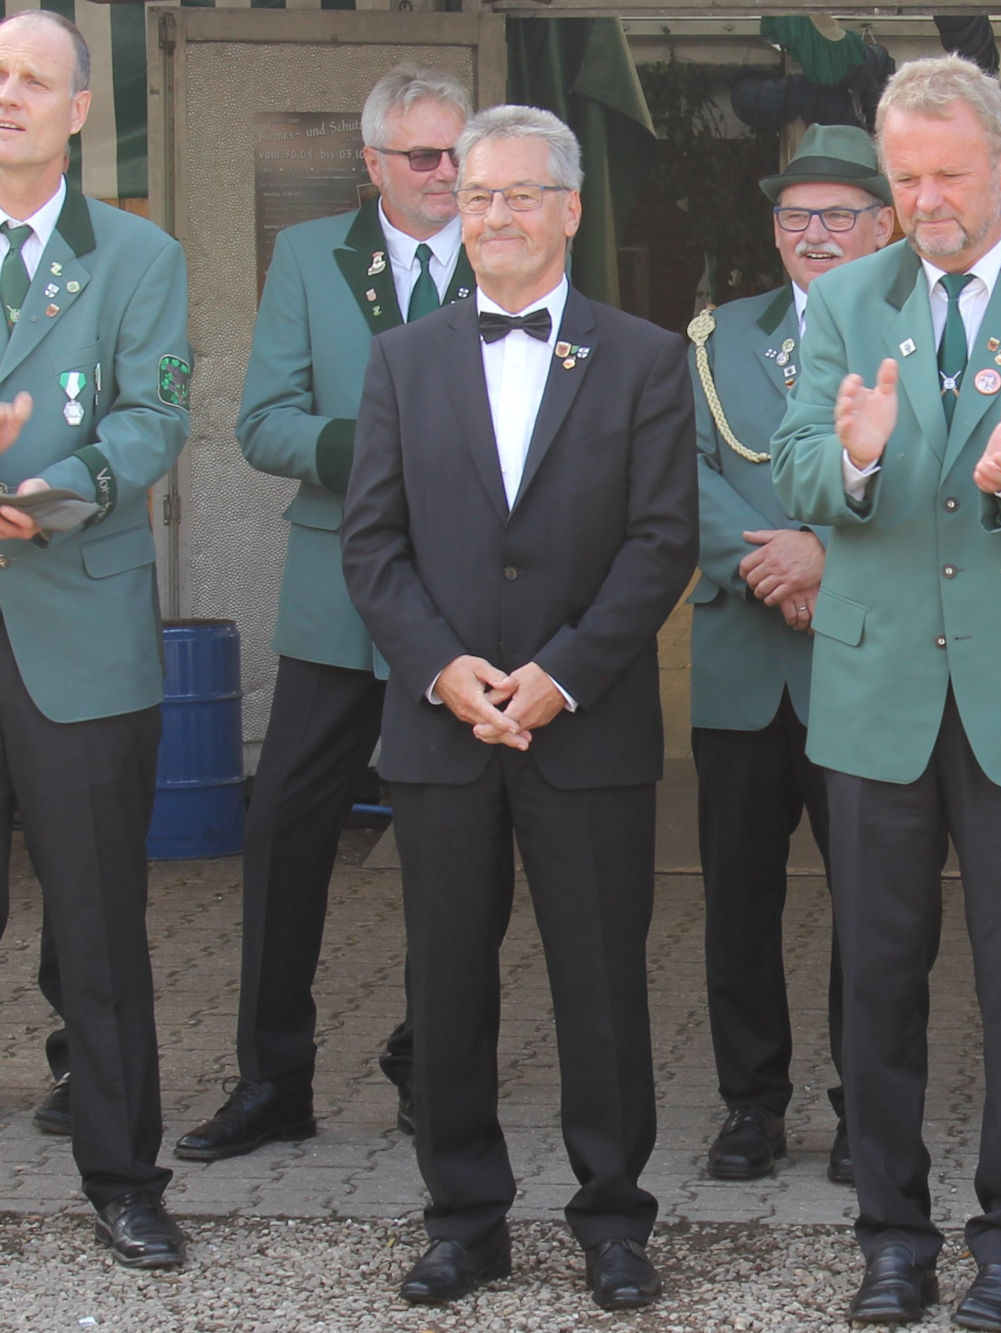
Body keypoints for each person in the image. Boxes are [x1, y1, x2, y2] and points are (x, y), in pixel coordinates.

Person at [770, 54, 1001, 1333]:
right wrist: (853, 464)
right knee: (876, 978)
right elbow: (797, 464)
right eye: (906, 178)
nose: (924, 200)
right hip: (874, 684)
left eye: (948, 174)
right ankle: (890, 1237)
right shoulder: (843, 300)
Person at [341, 105, 696, 1311]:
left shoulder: (644, 358)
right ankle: (464, 1220)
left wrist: (562, 672)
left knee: (601, 983)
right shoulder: (401, 360)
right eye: (476, 194)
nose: (493, 214)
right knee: (445, 986)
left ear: (570, 210)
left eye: (519, 193)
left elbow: (661, 541)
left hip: (583, 727)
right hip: (440, 729)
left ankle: (614, 1219)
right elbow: (371, 543)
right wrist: (441, 667)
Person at [167, 62, 475, 1164]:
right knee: (285, 832)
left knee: (450, 842)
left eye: (460, 152)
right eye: (423, 156)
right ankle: (272, 1079)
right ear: (373, 161)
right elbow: (264, 422)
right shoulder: (309, 256)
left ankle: (429, 1062)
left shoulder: (508, 243)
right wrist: (375, 448)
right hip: (338, 592)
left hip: (464, 602)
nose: (447, 175)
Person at [0, 9, 193, 1268]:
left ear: (78, 110)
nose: (6, 94)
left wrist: (45, 491)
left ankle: (125, 1180)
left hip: (75, 620)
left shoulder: (135, 254)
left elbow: (154, 416)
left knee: (102, 926)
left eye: (33, 79)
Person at [687, 123, 893, 1188]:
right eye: (795, 215)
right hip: (741, 661)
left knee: (874, 901)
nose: (815, 234)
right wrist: (770, 565)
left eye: (839, 214)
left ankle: (869, 1108)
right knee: (738, 900)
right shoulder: (718, 338)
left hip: (864, 660)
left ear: (884, 224)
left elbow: (933, 483)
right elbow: (676, 473)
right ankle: (750, 1104)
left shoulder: (917, 332)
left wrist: (827, 560)